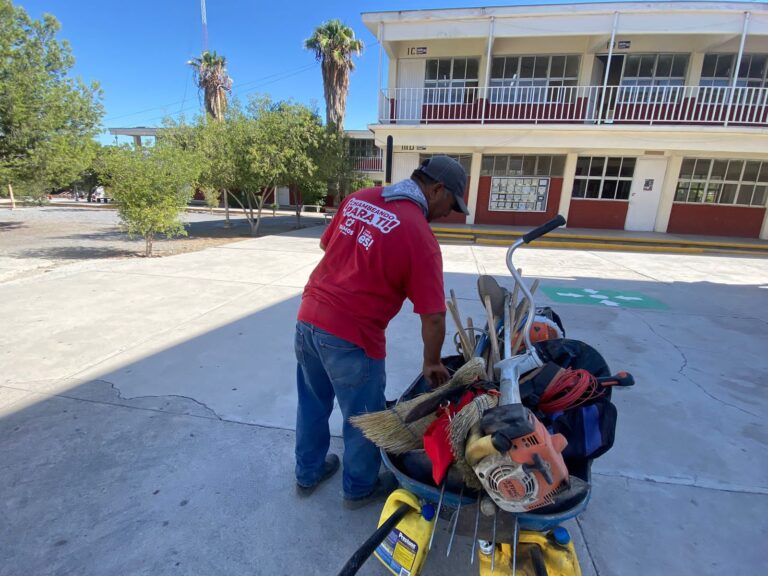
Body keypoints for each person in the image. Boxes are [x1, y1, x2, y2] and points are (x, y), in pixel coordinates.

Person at [294, 155, 469, 509]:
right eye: (450, 206)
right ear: (436, 189)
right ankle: (359, 488)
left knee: (312, 402)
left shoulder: (360, 197)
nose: (448, 214)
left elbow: (328, 247)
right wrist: (431, 362)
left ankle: (307, 472)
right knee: (364, 418)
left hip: (308, 318)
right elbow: (433, 316)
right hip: (352, 337)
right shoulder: (419, 235)